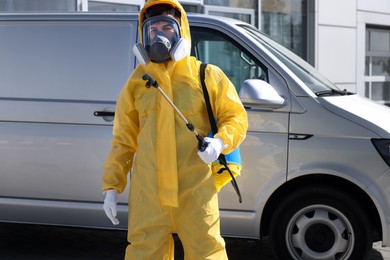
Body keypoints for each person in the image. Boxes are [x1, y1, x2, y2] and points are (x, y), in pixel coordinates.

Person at [102, 0, 248, 259]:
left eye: (167, 27)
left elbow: (235, 116)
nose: (159, 34)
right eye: (153, 28)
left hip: (195, 191)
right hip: (149, 194)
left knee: (207, 253)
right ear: (144, 35)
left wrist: (219, 143)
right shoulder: (137, 82)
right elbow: (123, 140)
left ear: (181, 31)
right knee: (144, 254)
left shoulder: (205, 75)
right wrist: (112, 187)